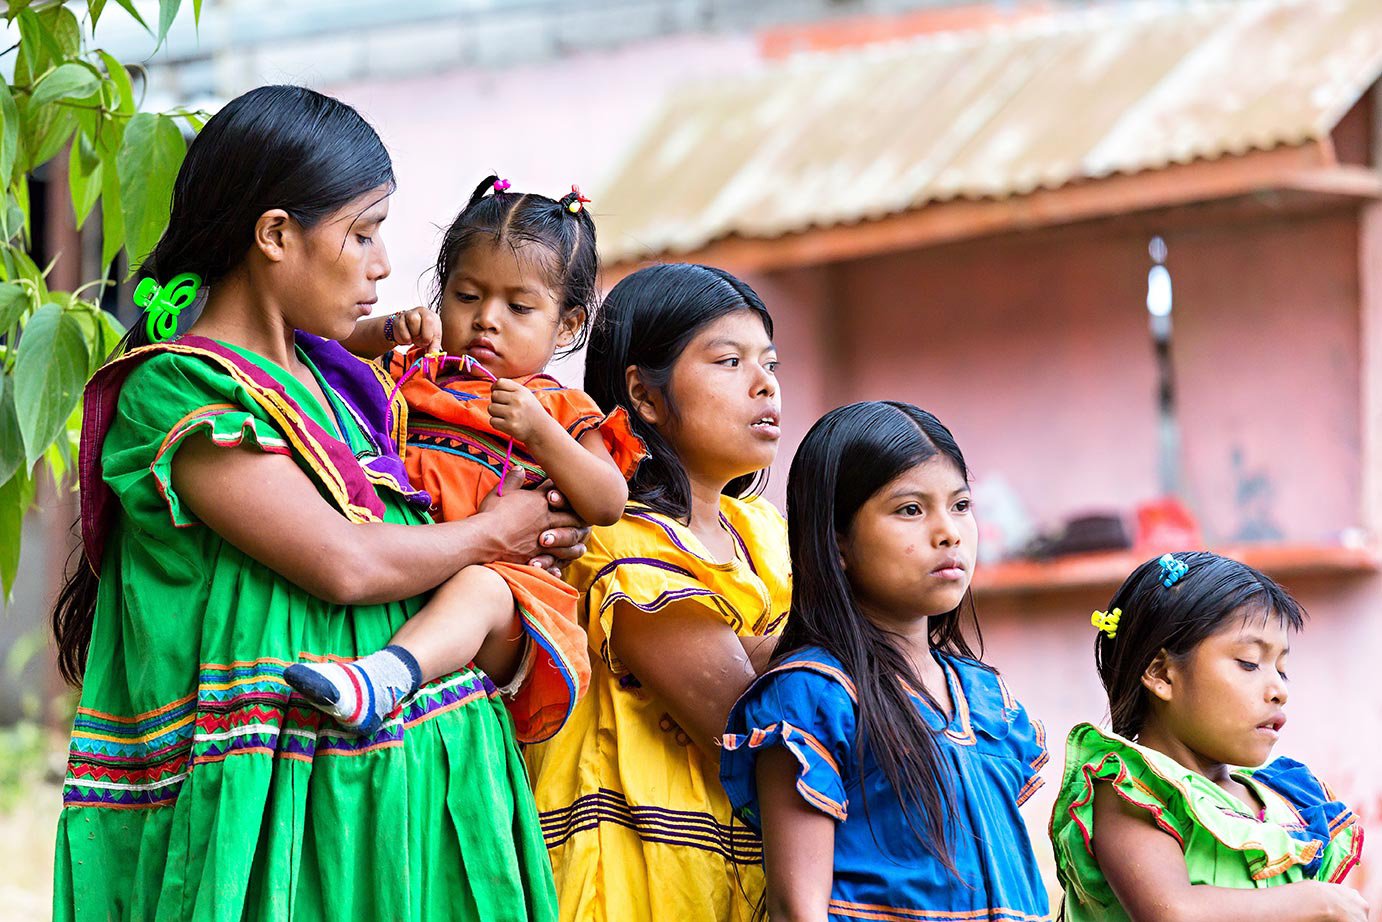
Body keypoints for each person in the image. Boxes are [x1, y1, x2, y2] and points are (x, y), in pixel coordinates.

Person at [52, 85, 583, 921]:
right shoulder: (180, 391)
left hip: (426, 811)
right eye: (363, 232)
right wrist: (496, 532)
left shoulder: (344, 384)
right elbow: (346, 563)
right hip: (293, 833)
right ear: (274, 234)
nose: (382, 263)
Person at [286, 176, 645, 741]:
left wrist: (541, 431)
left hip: (508, 599)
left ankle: (384, 679)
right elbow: (315, 348)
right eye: (467, 296)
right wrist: (385, 332)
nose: (487, 320)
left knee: (480, 585)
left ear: (569, 324)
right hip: (403, 568)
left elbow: (607, 501)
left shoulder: (559, 406)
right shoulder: (416, 373)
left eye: (519, 306)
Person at [525, 263, 790, 921]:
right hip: (632, 888)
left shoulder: (767, 531)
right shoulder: (619, 540)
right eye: (729, 362)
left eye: (770, 363)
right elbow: (752, 725)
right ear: (644, 396)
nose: (765, 385)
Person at [719, 401, 1051, 922]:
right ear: (837, 543)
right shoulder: (813, 696)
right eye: (910, 510)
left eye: (961, 505)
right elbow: (795, 908)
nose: (949, 533)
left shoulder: (987, 700)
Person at [1050, 551, 1367, 922]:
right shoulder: (1130, 789)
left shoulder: (1290, 803)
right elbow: (1172, 912)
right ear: (1162, 675)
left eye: (1281, 669)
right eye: (1249, 662)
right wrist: (1317, 902)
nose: (1278, 690)